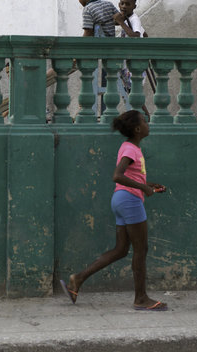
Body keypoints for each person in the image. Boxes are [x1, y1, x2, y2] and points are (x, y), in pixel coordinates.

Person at [64, 110, 171, 311]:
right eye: (145, 122)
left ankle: (77, 279)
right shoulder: (132, 150)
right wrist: (144, 188)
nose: (148, 125)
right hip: (129, 201)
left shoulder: (128, 147)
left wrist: (149, 184)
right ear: (138, 130)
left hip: (121, 199)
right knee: (141, 250)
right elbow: (117, 175)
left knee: (121, 250)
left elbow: (129, 176)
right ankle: (141, 298)